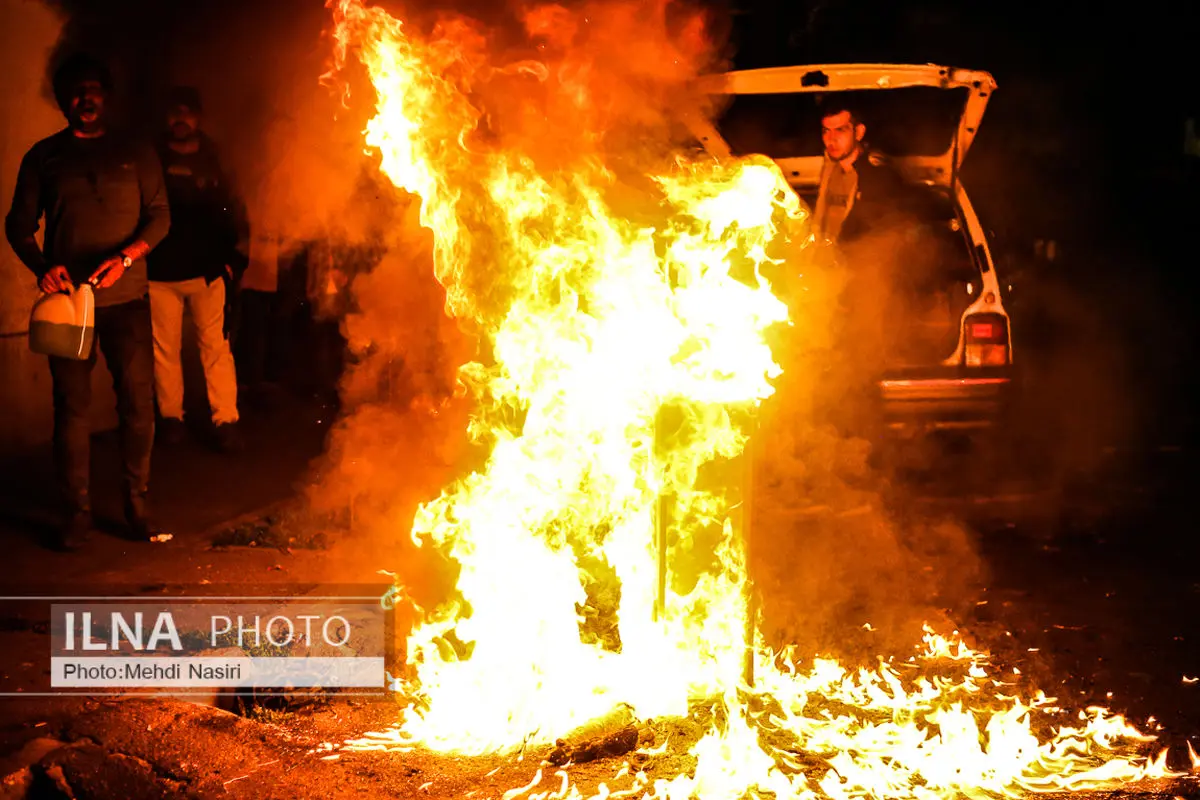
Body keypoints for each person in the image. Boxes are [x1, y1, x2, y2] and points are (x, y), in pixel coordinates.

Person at [5, 54, 171, 550]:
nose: (86, 98)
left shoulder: (135, 151)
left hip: (127, 300)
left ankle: (136, 506)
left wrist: (126, 257)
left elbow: (160, 217)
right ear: (64, 101)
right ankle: (76, 514)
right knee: (72, 409)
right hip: (67, 307)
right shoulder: (43, 156)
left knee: (139, 406)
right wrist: (42, 267)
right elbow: (18, 224)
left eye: (94, 89)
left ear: (107, 97)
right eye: (77, 91)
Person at [146, 86, 248, 452]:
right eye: (175, 112)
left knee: (216, 348)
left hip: (208, 274)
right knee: (165, 350)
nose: (180, 119)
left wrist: (235, 261)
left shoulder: (216, 158)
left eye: (187, 112)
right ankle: (172, 419)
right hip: (160, 273)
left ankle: (225, 421)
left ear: (199, 118)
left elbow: (236, 209)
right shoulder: (151, 158)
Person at [812, 104, 908, 246]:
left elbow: (887, 235)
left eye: (840, 130)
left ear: (858, 132)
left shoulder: (877, 176)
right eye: (826, 131)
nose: (831, 139)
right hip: (827, 257)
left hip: (856, 260)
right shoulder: (831, 168)